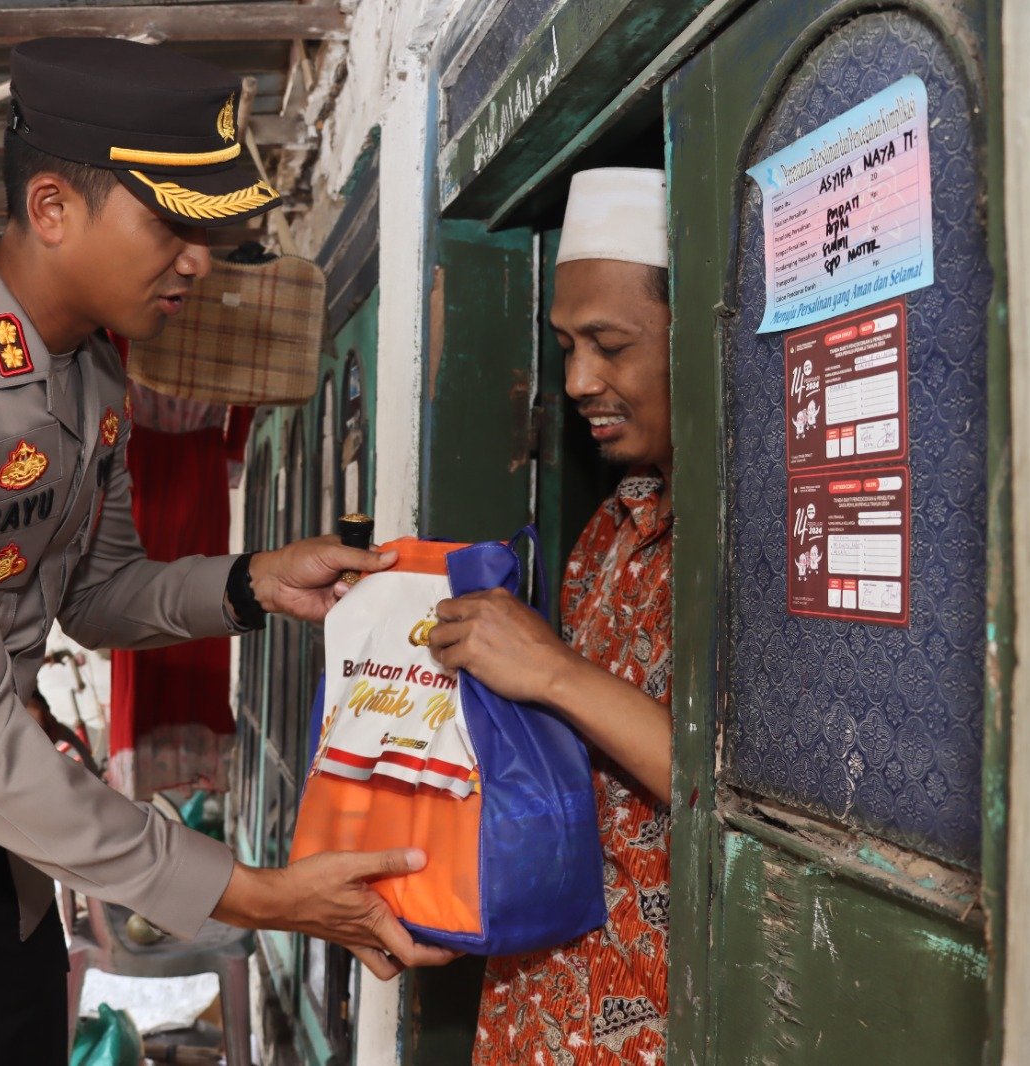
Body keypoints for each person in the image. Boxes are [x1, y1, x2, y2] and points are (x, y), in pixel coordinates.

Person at [0, 37, 453, 1066]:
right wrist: (255, 894)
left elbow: (97, 592)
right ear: (52, 208)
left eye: (205, 231)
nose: (198, 258)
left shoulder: (89, 370)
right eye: (171, 225)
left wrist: (253, 582)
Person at [428, 168, 676, 1064]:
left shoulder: (757, 545)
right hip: (538, 1006)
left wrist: (552, 672)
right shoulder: (608, 533)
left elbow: (732, 792)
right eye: (567, 345)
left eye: (610, 345)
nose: (578, 379)